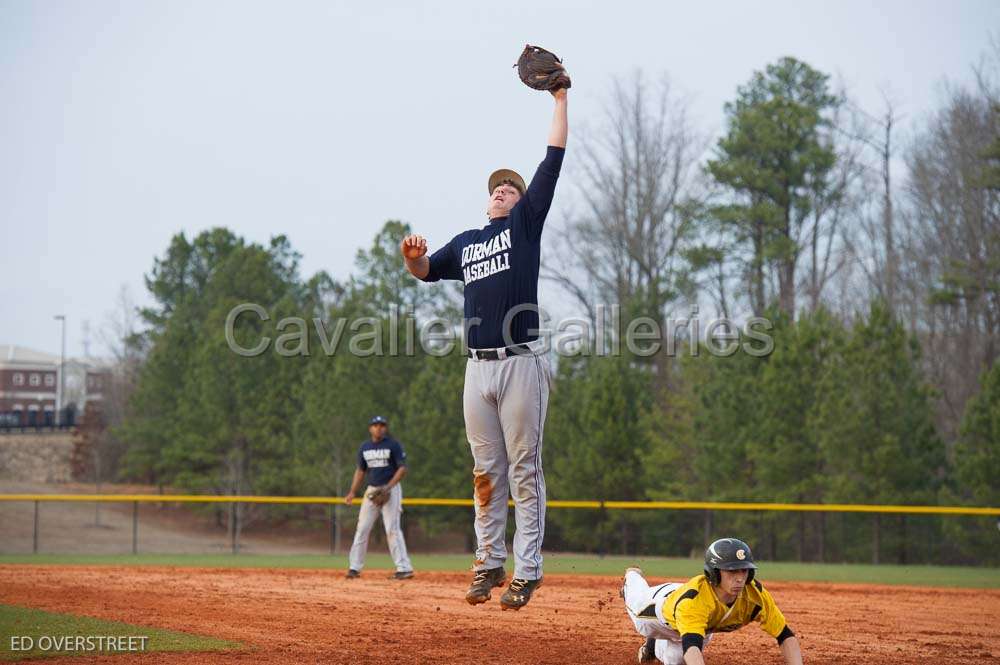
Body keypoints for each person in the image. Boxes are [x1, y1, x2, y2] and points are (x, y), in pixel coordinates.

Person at [400, 85, 569, 610]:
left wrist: (560, 101)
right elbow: (428, 272)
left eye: (511, 189)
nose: (503, 191)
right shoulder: (469, 242)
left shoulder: (524, 227)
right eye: (498, 188)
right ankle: (489, 561)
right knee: (485, 471)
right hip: (477, 371)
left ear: (522, 204)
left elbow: (552, 161)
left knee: (524, 468)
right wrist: (412, 258)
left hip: (520, 364)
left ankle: (528, 570)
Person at [621, 538, 803, 665]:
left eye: (744, 570)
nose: (740, 578)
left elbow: (785, 634)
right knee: (637, 612)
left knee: (677, 661)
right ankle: (632, 576)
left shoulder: (755, 595)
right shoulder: (693, 602)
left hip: (698, 624)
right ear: (714, 573)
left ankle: (653, 646)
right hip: (663, 606)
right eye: (732, 572)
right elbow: (692, 646)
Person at [344, 415, 414, 580]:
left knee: (392, 528)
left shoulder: (393, 445)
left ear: (386, 428)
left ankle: (404, 568)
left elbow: (402, 468)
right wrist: (353, 491)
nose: (379, 428)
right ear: (370, 428)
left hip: (391, 489)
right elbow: (360, 471)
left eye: (382, 425)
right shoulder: (365, 447)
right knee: (362, 528)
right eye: (376, 425)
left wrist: (388, 487)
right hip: (372, 490)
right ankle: (354, 567)